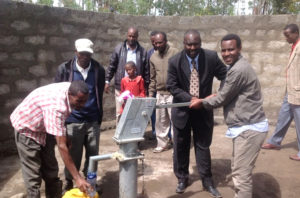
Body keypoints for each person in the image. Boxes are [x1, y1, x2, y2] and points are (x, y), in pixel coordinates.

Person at [193, 34, 268, 198]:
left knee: (241, 176)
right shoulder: (235, 67)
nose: (226, 53)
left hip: (249, 129)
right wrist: (212, 97)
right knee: (238, 169)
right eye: (224, 50)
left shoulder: (238, 70)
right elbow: (226, 93)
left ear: (239, 49)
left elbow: (222, 98)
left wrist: (201, 103)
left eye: (231, 49)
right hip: (245, 127)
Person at [166, 29, 226, 197]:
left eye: (196, 44)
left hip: (203, 111)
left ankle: (207, 181)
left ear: (201, 43)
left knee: (203, 146)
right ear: (183, 43)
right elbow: (172, 85)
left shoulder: (211, 57)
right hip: (182, 111)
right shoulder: (174, 61)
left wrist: (218, 95)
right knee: (181, 146)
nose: (192, 48)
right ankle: (182, 178)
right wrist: (192, 99)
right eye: (189, 44)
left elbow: (226, 76)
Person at [10, 81, 91, 198]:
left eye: (85, 101)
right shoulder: (56, 107)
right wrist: (77, 178)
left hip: (44, 128)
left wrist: (65, 134)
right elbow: (61, 146)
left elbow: (60, 121)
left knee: (51, 169)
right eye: (79, 101)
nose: (82, 105)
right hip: (27, 128)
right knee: (33, 174)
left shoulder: (73, 89)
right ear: (69, 94)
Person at [54, 38, 105, 191]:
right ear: (76, 52)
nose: (85, 57)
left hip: (92, 119)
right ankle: (69, 182)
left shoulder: (98, 69)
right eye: (82, 54)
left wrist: (98, 116)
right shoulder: (65, 69)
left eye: (88, 54)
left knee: (93, 155)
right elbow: (58, 93)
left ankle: (91, 183)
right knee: (73, 153)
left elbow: (99, 92)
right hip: (73, 119)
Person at [261, 24, 300, 161]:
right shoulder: (294, 47)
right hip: (290, 90)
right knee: (283, 115)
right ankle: (275, 141)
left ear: (296, 33)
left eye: (288, 35)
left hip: (298, 91)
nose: (286, 38)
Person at [105, 27, 149, 123]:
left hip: (136, 88)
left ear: (137, 37)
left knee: (136, 113)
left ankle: (133, 135)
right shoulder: (119, 49)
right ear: (127, 35)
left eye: (134, 36)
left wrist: (146, 87)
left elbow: (146, 71)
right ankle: (120, 135)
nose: (131, 38)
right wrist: (107, 80)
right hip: (122, 88)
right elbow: (112, 65)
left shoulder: (142, 52)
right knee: (120, 112)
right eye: (130, 36)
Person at [149, 31, 178, 153]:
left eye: (160, 42)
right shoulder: (153, 57)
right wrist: (151, 94)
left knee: (175, 121)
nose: (158, 45)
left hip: (173, 93)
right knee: (160, 121)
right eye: (155, 43)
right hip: (160, 93)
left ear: (165, 41)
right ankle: (162, 144)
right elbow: (152, 77)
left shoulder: (175, 53)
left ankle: (177, 145)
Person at [147, 30, 158, 137]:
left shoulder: (168, 53)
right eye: (152, 42)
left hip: (164, 88)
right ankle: (154, 131)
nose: (154, 44)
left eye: (156, 41)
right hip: (152, 87)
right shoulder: (149, 53)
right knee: (153, 111)